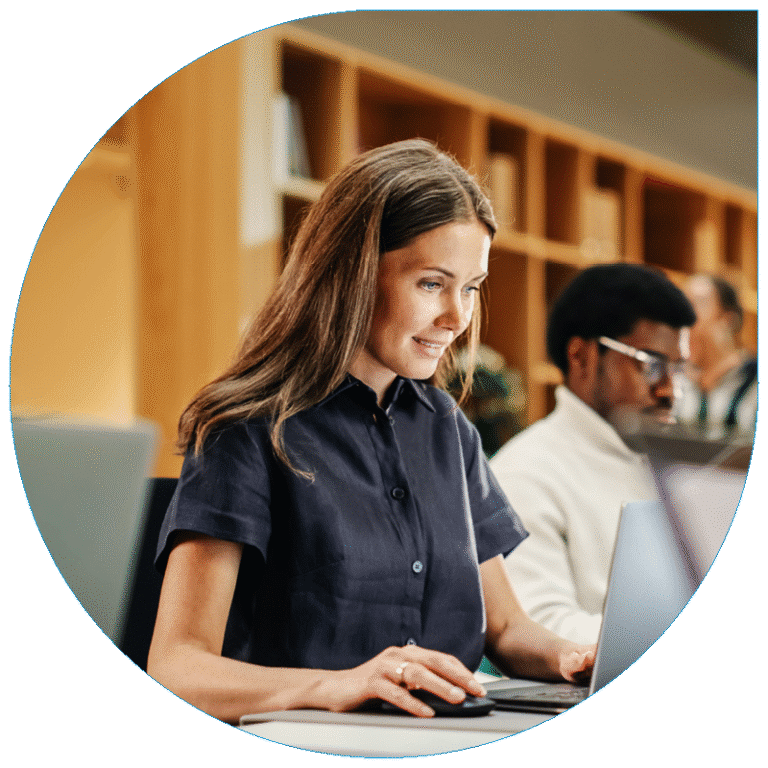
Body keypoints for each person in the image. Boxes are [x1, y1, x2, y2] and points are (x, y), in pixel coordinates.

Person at [146, 139, 594, 724]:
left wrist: (575, 656)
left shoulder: (448, 430)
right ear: (352, 275)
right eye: (432, 284)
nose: (457, 318)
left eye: (471, 287)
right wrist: (336, 684)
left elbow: (507, 629)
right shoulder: (249, 430)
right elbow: (177, 669)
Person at [490, 264, 697, 644]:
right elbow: (539, 629)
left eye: (679, 370)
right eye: (651, 366)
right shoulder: (523, 474)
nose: (671, 391)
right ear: (581, 356)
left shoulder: (677, 471)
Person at [674, 273, 757, 435]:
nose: (685, 316)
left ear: (727, 320)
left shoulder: (754, 381)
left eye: (697, 303)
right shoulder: (676, 380)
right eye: (683, 304)